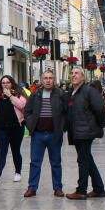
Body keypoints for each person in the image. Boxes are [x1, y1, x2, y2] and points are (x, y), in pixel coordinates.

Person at [23, 69, 66, 198]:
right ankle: (32, 187)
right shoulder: (35, 94)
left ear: (54, 80)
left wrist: (61, 126)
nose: (48, 80)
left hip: (54, 134)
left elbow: (66, 112)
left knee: (56, 162)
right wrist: (31, 125)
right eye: (46, 78)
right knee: (35, 162)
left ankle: (58, 188)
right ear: (42, 80)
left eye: (50, 78)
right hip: (38, 134)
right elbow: (27, 111)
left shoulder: (60, 94)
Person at [65, 66, 105, 200]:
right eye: (72, 73)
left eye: (77, 73)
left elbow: (100, 109)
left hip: (85, 131)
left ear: (83, 77)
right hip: (77, 131)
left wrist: (99, 126)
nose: (73, 75)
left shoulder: (89, 91)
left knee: (82, 160)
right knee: (87, 159)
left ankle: (81, 190)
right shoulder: (73, 92)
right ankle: (98, 189)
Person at [0, 74, 27, 184]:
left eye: (7, 82)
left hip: (16, 128)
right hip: (1, 128)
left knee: (16, 150)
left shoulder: (19, 94)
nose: (5, 84)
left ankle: (18, 173)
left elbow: (22, 106)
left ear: (12, 83)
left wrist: (10, 96)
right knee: (2, 151)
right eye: (3, 82)